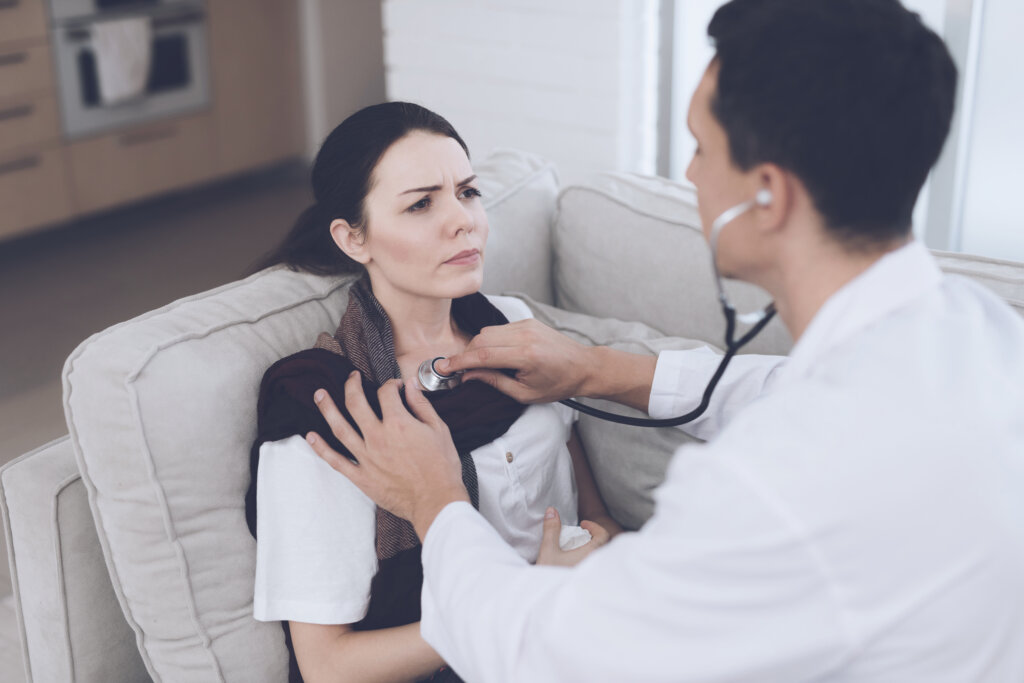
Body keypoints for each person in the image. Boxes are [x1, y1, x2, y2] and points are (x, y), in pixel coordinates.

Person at [303, 1, 1024, 681]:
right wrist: (596, 369)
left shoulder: (774, 486)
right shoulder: (981, 329)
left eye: (702, 148)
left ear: (767, 195)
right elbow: (787, 389)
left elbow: (549, 658)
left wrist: (435, 501)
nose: (688, 174)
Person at [245, 102, 621, 683]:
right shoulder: (330, 412)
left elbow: (589, 507)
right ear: (353, 239)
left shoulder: (514, 329)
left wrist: (596, 556)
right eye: (421, 204)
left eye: (467, 192)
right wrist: (524, 600)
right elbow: (326, 666)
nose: (462, 220)